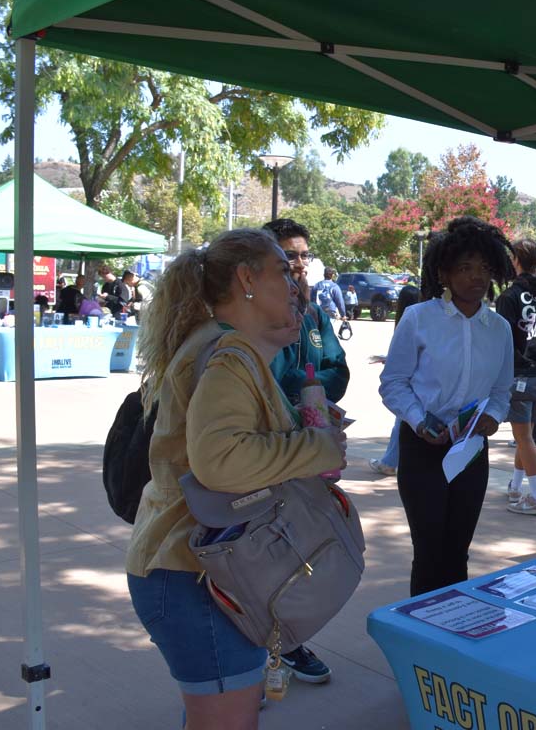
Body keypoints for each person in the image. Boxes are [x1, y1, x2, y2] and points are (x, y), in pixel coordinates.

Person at [127, 228, 348, 730]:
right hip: (195, 576)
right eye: (281, 270)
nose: (295, 280)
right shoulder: (230, 355)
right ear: (247, 279)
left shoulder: (223, 346)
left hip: (191, 570)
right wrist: (318, 447)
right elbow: (220, 460)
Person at [379, 217, 514, 596]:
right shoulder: (418, 319)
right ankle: (419, 635)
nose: (477, 277)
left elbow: (502, 390)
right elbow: (393, 383)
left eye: (485, 268)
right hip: (423, 446)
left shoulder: (499, 328)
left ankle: (452, 630)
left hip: (470, 449)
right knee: (428, 552)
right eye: (465, 267)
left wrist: (493, 416)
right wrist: (420, 421)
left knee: (457, 550)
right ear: (444, 272)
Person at [260, 218, 346, 682]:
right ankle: (261, 653)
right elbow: (265, 381)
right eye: (287, 255)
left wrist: (311, 387)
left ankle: (287, 642)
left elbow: (340, 370)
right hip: (267, 455)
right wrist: (307, 384)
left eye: (302, 255)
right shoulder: (252, 315)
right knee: (261, 554)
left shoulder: (315, 314)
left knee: (302, 553)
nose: (297, 263)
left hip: (313, 452)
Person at [496, 238, 536, 516]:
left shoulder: (509, 297)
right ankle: (516, 485)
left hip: (518, 373)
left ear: (516, 261)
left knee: (524, 437)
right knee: (527, 434)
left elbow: (503, 340)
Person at [262, 219, 349, 408]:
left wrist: (303, 382)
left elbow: (339, 375)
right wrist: (312, 382)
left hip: (311, 430)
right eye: (291, 256)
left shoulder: (315, 314)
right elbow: (272, 378)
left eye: (305, 255)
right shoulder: (257, 314)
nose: (301, 264)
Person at [368, 283, 423, 478]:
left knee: (403, 421)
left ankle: (390, 462)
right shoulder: (420, 318)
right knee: (403, 422)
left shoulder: (408, 320)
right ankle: (390, 461)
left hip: (411, 385)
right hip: (416, 383)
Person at [313, 266, 349, 340]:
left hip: (317, 313)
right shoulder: (334, 287)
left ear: (324, 274)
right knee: (327, 334)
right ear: (332, 275)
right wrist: (343, 315)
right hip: (330, 314)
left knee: (318, 334)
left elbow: (310, 300)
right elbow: (340, 302)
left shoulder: (317, 285)